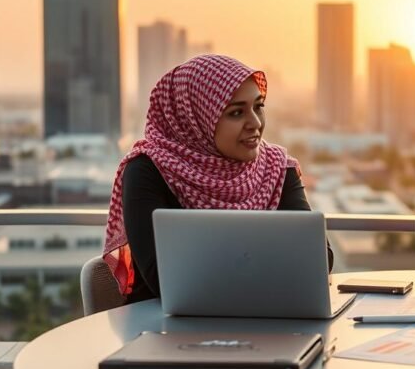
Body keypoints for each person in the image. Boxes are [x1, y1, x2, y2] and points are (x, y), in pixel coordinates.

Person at [101, 54, 330, 304]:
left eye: (258, 106)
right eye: (236, 113)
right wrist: (271, 262)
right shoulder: (148, 169)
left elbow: (318, 260)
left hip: (269, 324)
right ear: (196, 119)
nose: (254, 123)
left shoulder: (276, 168)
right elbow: (164, 279)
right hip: (162, 330)